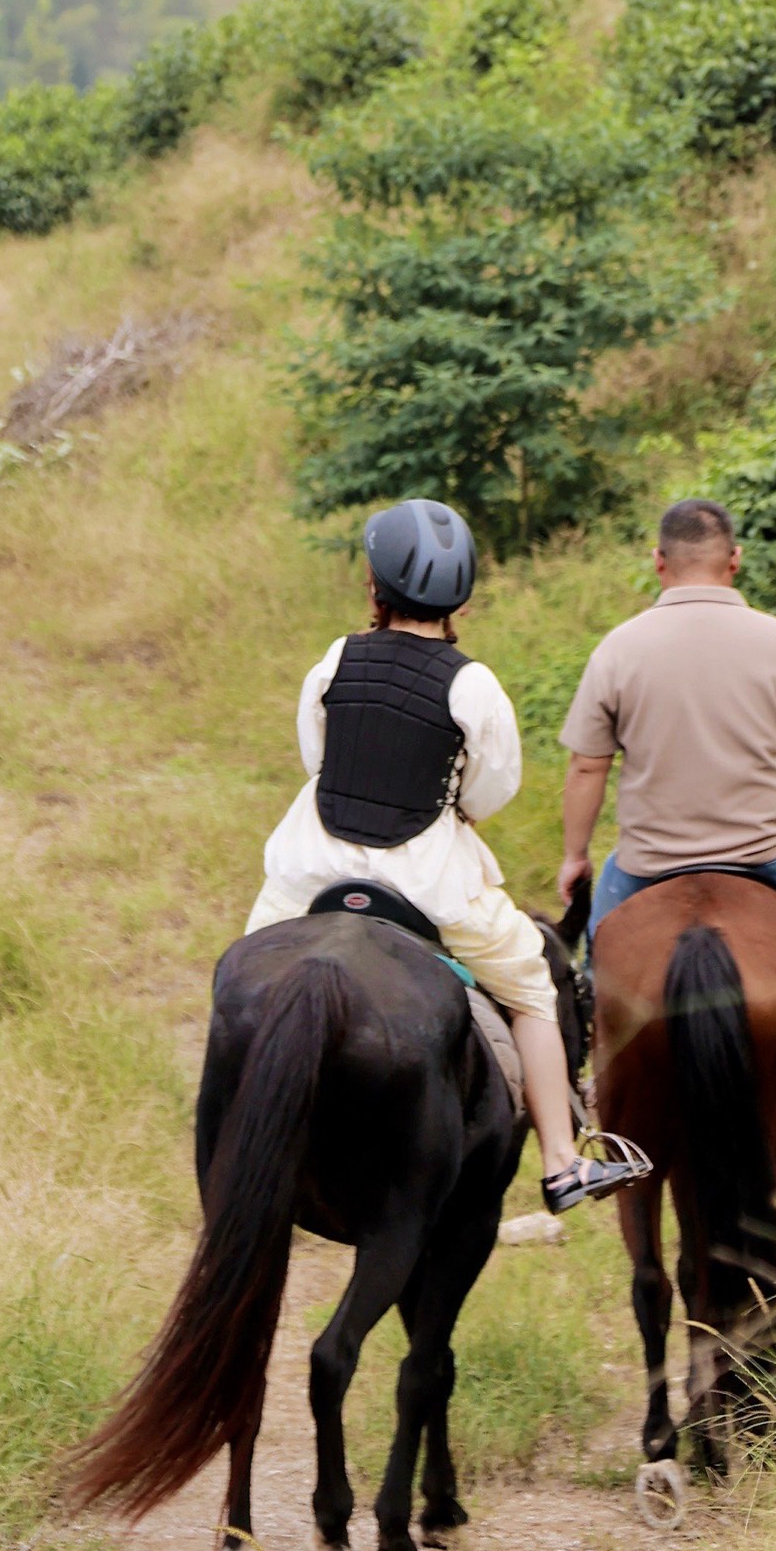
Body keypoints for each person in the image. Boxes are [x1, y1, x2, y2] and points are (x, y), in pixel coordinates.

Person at [248, 496, 634, 1213]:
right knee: (531, 989)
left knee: (246, 973)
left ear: (374, 587)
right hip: (426, 885)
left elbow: (315, 756)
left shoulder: (334, 661)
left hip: (313, 870)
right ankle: (559, 1163)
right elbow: (492, 790)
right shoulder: (474, 685)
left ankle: (237, 1123)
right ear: (462, 598)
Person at [555, 495, 776, 1132]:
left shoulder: (617, 650)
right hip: (768, 849)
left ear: (659, 563)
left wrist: (575, 856)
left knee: (599, 947)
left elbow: (587, 766)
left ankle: (600, 1079)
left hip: (649, 858)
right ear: (735, 560)